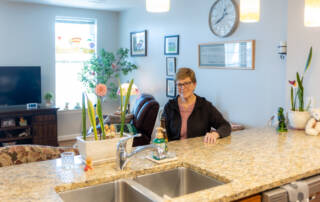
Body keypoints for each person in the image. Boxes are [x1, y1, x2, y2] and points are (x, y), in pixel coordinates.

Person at [162, 67, 231, 144]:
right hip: (174, 152)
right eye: (179, 84)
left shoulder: (205, 106)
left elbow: (225, 126)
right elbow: (162, 133)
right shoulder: (169, 107)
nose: (183, 87)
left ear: (194, 84)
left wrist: (215, 134)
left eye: (187, 83)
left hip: (198, 151)